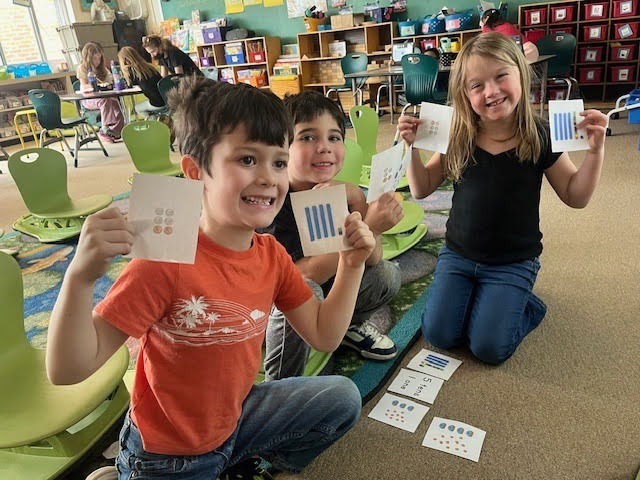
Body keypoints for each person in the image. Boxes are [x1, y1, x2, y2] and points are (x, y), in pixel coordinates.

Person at [46, 77, 376, 480]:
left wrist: (352, 265)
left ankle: (258, 465)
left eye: (277, 161)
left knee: (341, 397)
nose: (269, 178)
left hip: (234, 421)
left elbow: (324, 335)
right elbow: (67, 370)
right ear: (195, 172)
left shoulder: (271, 255)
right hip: (167, 456)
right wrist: (79, 277)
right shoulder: (165, 261)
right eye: (246, 159)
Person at [396, 33, 607, 365]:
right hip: (458, 256)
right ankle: (490, 300)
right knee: (439, 334)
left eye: (500, 76)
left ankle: (526, 303)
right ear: (465, 95)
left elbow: (575, 196)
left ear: (521, 73)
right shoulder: (458, 136)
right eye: (477, 86)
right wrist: (410, 150)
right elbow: (421, 189)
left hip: (512, 262)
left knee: (489, 348)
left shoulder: (541, 136)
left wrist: (596, 152)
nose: (491, 91)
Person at [259, 91, 404, 380]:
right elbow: (295, 278)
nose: (325, 148)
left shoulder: (337, 190)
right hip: (271, 312)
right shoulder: (271, 200)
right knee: (304, 292)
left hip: (328, 292)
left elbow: (372, 258)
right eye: (308, 137)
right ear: (281, 146)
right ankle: (282, 386)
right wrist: (370, 227)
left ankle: (348, 325)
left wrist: (360, 206)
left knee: (387, 275)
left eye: (334, 137)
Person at [77, 42, 124, 142]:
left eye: (99, 58)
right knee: (105, 101)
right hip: (88, 99)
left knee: (116, 103)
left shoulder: (103, 68)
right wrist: (96, 86)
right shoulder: (82, 68)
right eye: (94, 59)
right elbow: (84, 86)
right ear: (88, 58)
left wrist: (109, 84)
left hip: (104, 96)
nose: (97, 61)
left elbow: (110, 80)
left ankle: (116, 131)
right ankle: (105, 128)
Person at [117, 46, 167, 118]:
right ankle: (157, 119)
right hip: (167, 99)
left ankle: (154, 121)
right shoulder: (149, 67)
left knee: (138, 108)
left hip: (156, 103)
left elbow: (129, 85)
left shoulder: (133, 71)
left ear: (125, 60)